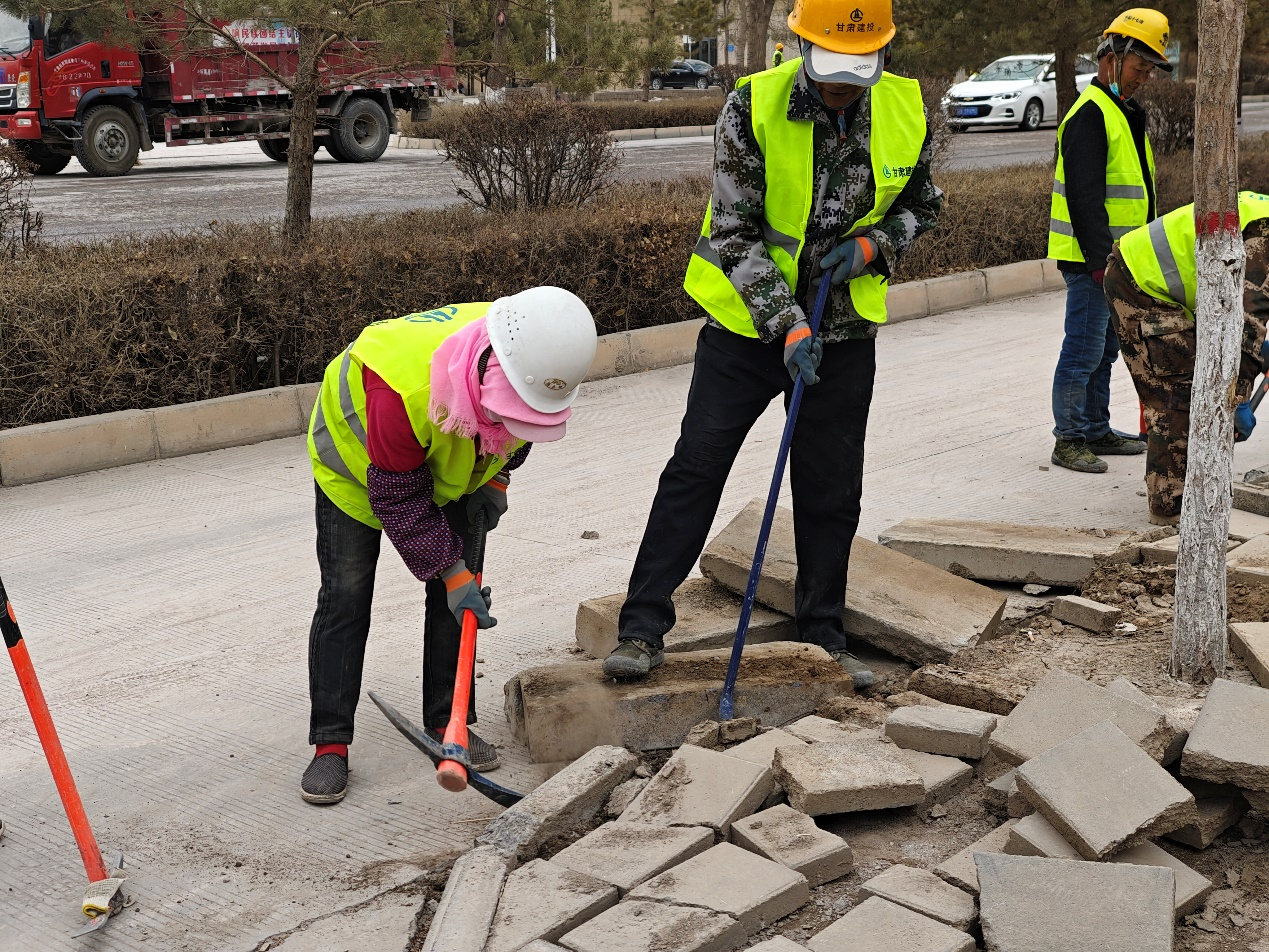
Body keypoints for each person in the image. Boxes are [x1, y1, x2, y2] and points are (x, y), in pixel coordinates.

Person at [603, 0, 941, 688]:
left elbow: (924, 203)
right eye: (832, 72)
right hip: (744, 330)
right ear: (799, 46)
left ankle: (822, 636)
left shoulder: (904, 107)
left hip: (842, 334)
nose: (843, 86)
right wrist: (785, 322)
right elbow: (732, 231)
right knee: (695, 468)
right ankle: (641, 627)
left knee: (828, 488)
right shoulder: (751, 106)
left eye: (857, 72)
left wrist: (879, 243)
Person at [300, 288, 598, 804]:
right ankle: (331, 743)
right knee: (347, 597)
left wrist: (497, 482)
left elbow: (519, 431)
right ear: (491, 376)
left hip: (444, 465)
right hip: (355, 472)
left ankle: (447, 723)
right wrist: (451, 570)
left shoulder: (529, 345)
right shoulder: (403, 389)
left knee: (455, 602)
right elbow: (397, 498)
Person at [1047, 8, 1172, 474]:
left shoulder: (1122, 111)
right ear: (1113, 58)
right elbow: (1084, 196)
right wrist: (1101, 261)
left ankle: (1096, 428)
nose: (1144, 78)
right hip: (1093, 261)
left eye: (1148, 71)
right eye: (1140, 67)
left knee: (1104, 349)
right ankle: (1070, 438)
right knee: (1082, 349)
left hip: (1122, 259)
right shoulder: (1090, 115)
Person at [1105, 192, 1269, 524]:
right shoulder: (1265, 238)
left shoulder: (1263, 213)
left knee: (1199, 385)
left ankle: (1196, 494)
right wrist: (1237, 399)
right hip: (1139, 287)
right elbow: (1248, 322)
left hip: (1162, 288)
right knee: (1177, 394)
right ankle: (1170, 512)